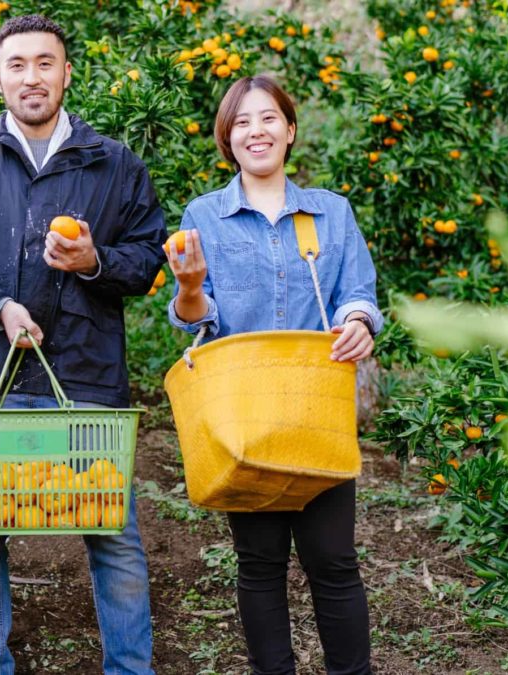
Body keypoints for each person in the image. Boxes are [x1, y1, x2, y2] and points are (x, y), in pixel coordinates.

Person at [0, 14, 166, 675]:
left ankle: (130, 669)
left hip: (83, 373)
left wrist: (93, 261)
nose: (32, 77)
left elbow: (146, 260)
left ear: (67, 74)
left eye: (45, 63)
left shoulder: (114, 164)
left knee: (112, 532)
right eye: (18, 65)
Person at [165, 74, 380, 675]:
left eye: (266, 119)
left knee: (333, 561)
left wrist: (359, 320)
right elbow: (193, 321)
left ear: (289, 130)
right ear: (226, 139)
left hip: (316, 412)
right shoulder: (204, 214)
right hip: (244, 417)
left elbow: (356, 293)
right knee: (258, 564)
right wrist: (187, 289)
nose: (254, 131)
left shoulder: (330, 214)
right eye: (240, 123)